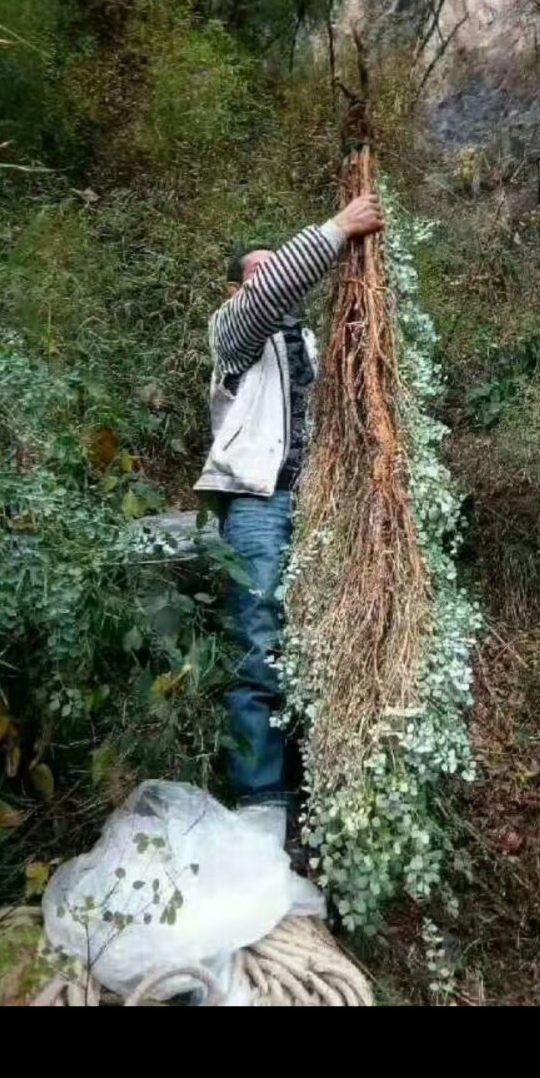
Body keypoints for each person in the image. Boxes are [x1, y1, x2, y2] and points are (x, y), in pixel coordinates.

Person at [194, 194, 385, 839]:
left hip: (315, 502)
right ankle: (259, 803)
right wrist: (339, 229)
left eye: (273, 268)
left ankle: (312, 785)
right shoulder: (233, 333)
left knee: (312, 635)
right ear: (234, 288)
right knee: (259, 639)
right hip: (257, 499)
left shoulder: (304, 343)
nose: (268, 278)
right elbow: (271, 290)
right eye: (255, 271)